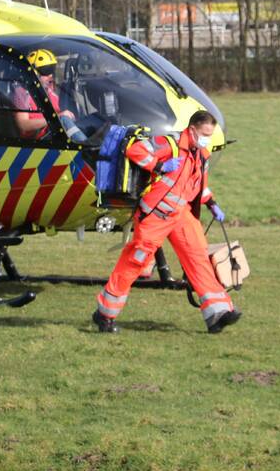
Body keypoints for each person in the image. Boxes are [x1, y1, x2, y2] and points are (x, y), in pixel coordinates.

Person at [93, 110, 241, 334]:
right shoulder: (169, 144)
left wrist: (212, 204)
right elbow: (135, 149)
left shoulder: (200, 155)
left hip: (180, 215)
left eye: (209, 135)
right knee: (136, 262)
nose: (206, 139)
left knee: (198, 256)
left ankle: (218, 314)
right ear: (191, 130)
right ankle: (105, 314)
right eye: (203, 134)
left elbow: (198, 187)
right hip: (156, 216)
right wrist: (158, 166)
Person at [12, 48, 86, 142]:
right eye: (46, 70)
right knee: (63, 120)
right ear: (34, 73)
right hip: (39, 140)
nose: (51, 75)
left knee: (90, 119)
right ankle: (87, 151)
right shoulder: (22, 92)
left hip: (55, 132)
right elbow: (23, 125)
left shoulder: (50, 90)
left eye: (53, 70)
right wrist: (56, 118)